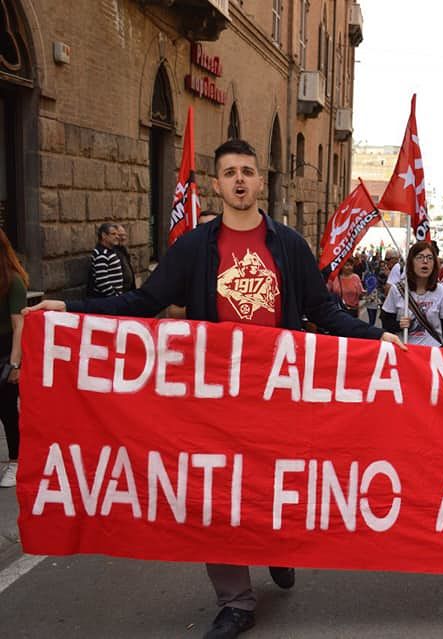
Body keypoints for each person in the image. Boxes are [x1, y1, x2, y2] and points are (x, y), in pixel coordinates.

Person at [25, 138, 406, 639]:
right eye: (230, 173)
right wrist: (71, 311)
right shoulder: (194, 247)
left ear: (259, 180)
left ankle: (277, 547)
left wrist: (375, 337)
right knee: (215, 496)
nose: (240, 180)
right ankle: (235, 602)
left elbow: (323, 311)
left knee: (276, 486)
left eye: (247, 171)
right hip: (213, 402)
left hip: (278, 396)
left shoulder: (289, 245)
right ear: (217, 184)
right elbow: (144, 302)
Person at [380, 241, 443, 347]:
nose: (425, 261)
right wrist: (399, 325)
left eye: (430, 258)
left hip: (432, 352)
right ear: (411, 263)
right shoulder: (396, 290)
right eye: (420, 257)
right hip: (404, 350)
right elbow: (386, 324)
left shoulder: (442, 292)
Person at [0, 230, 26, 488]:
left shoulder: (13, 281)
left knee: (7, 410)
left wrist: (14, 364)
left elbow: (19, 325)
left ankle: (16, 461)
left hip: (6, 350)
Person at [85, 222, 122, 298]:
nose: (117, 237)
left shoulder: (109, 251)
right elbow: (102, 280)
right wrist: (114, 296)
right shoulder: (102, 254)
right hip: (107, 299)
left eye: (117, 234)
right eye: (113, 234)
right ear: (104, 235)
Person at [114, 224, 137, 293]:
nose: (123, 238)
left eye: (124, 235)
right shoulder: (112, 252)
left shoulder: (124, 250)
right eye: (120, 235)